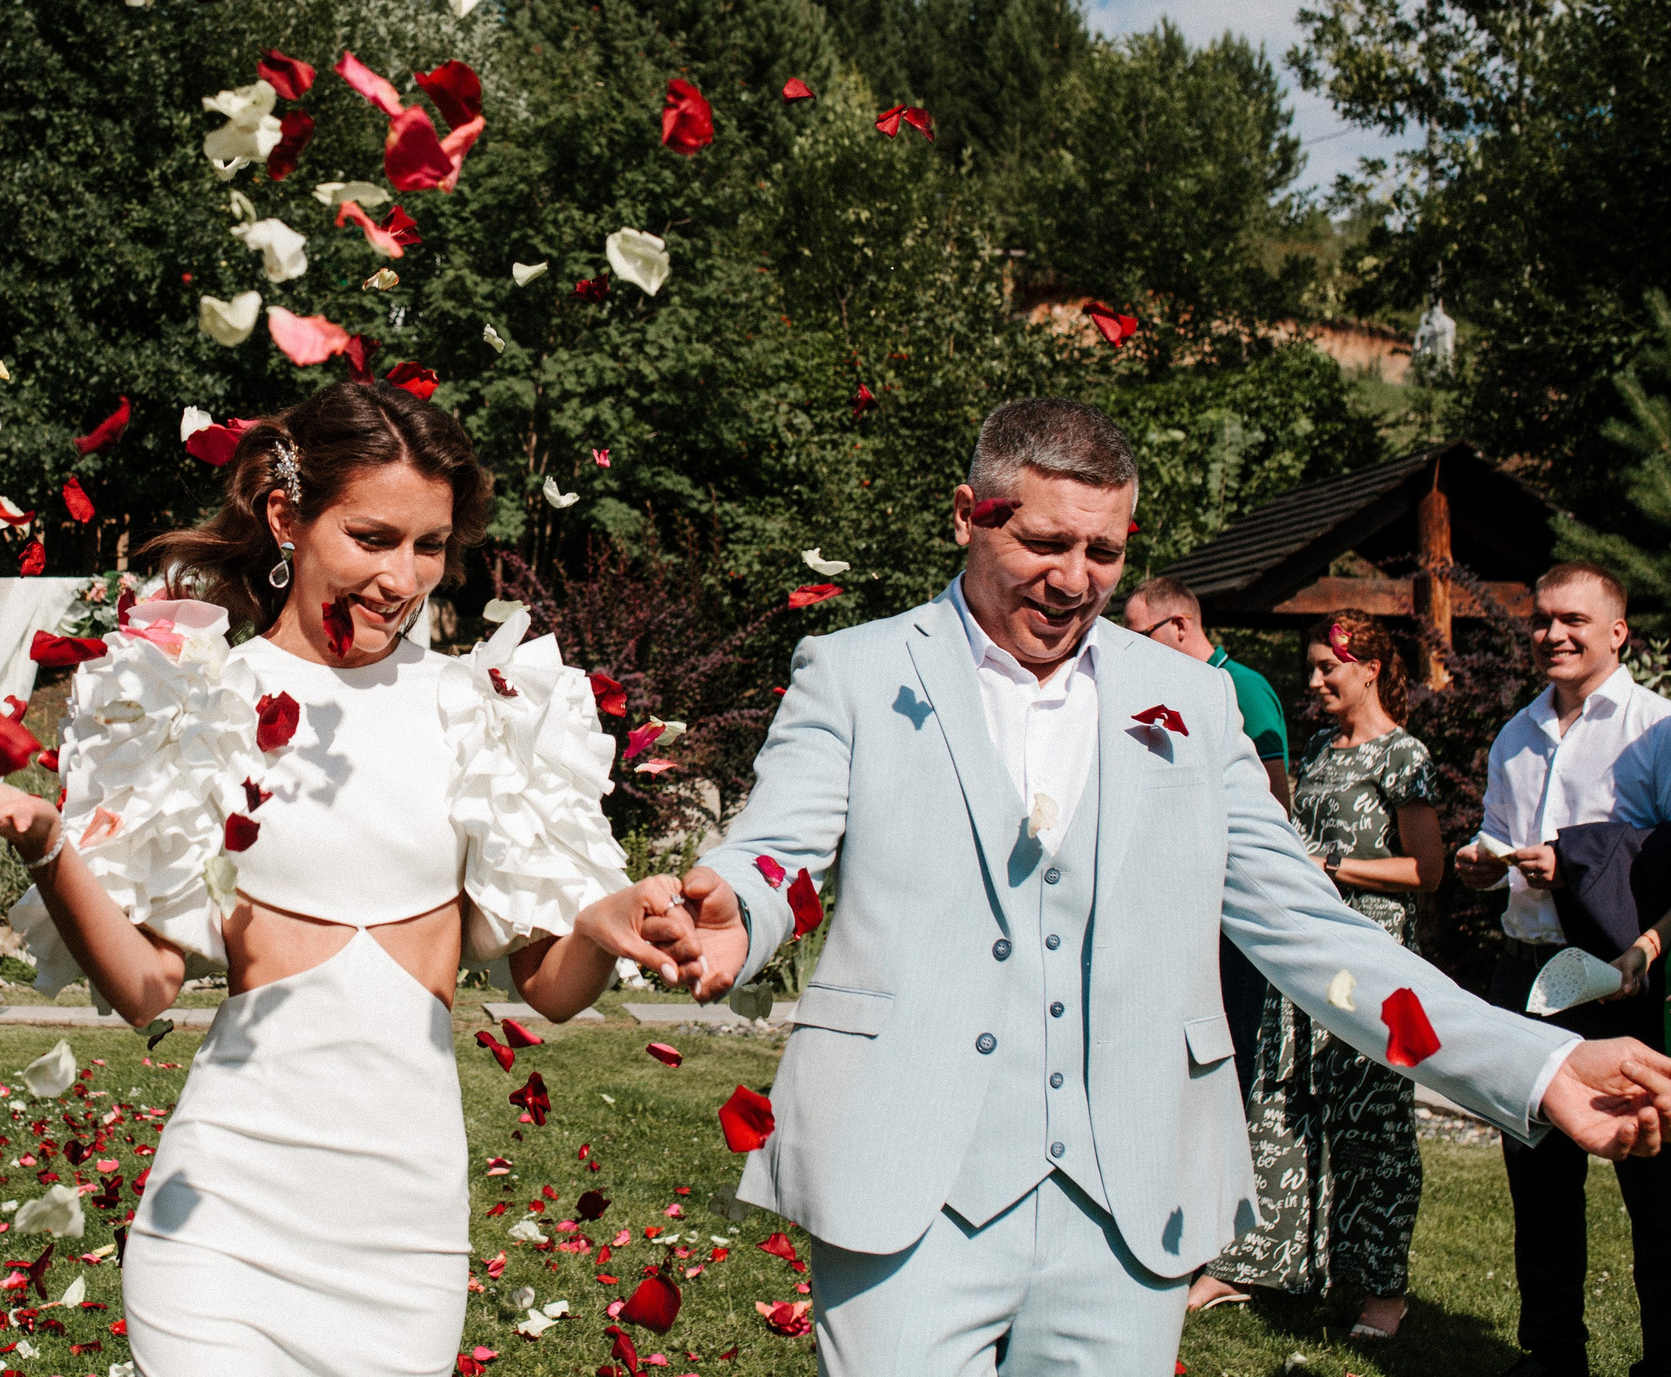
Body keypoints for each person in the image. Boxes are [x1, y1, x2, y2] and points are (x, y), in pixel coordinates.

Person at [660, 398, 1671, 1377]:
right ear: (967, 515)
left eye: (1103, 554)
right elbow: (776, 851)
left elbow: (1318, 936)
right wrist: (733, 917)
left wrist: (1539, 1067)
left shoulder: (1190, 703)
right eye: (1045, 545)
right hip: (905, 1176)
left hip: (1129, 1197)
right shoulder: (850, 671)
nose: (1074, 581)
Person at [0, 380, 688, 1374]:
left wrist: (597, 922)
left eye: (428, 546)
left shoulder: (482, 708)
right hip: (224, 1223)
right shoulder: (196, 699)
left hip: (404, 1241)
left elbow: (547, 993)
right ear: (287, 514)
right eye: (371, 537)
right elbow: (145, 986)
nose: (402, 577)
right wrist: (45, 838)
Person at [1195, 612, 1443, 1335]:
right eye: (1310, 668)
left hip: (1373, 956)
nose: (1313, 681)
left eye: (1326, 668)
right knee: (1280, 1105)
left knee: (1374, 1122)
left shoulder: (1405, 755)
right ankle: (1257, 1266)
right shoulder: (1319, 749)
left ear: (1368, 668)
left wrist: (1330, 867)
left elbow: (1425, 870)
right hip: (1304, 949)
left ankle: (1381, 1291)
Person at [1457, 562, 1671, 1377]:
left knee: (1654, 1185)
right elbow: (1492, 832)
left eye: (1574, 619)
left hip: (1616, 982)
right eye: (1543, 618)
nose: (1553, 633)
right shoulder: (1516, 732)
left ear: (1618, 630)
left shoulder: (1658, 729)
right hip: (1527, 975)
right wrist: (1486, 862)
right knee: (1538, 1179)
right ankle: (1552, 1353)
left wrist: (1635, 945)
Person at [1124, 573, 1294, 1071]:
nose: (1128, 650)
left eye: (1138, 635)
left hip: (1232, 902)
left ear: (1179, 625)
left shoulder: (1243, 687)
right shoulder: (1161, 694)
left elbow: (1274, 802)